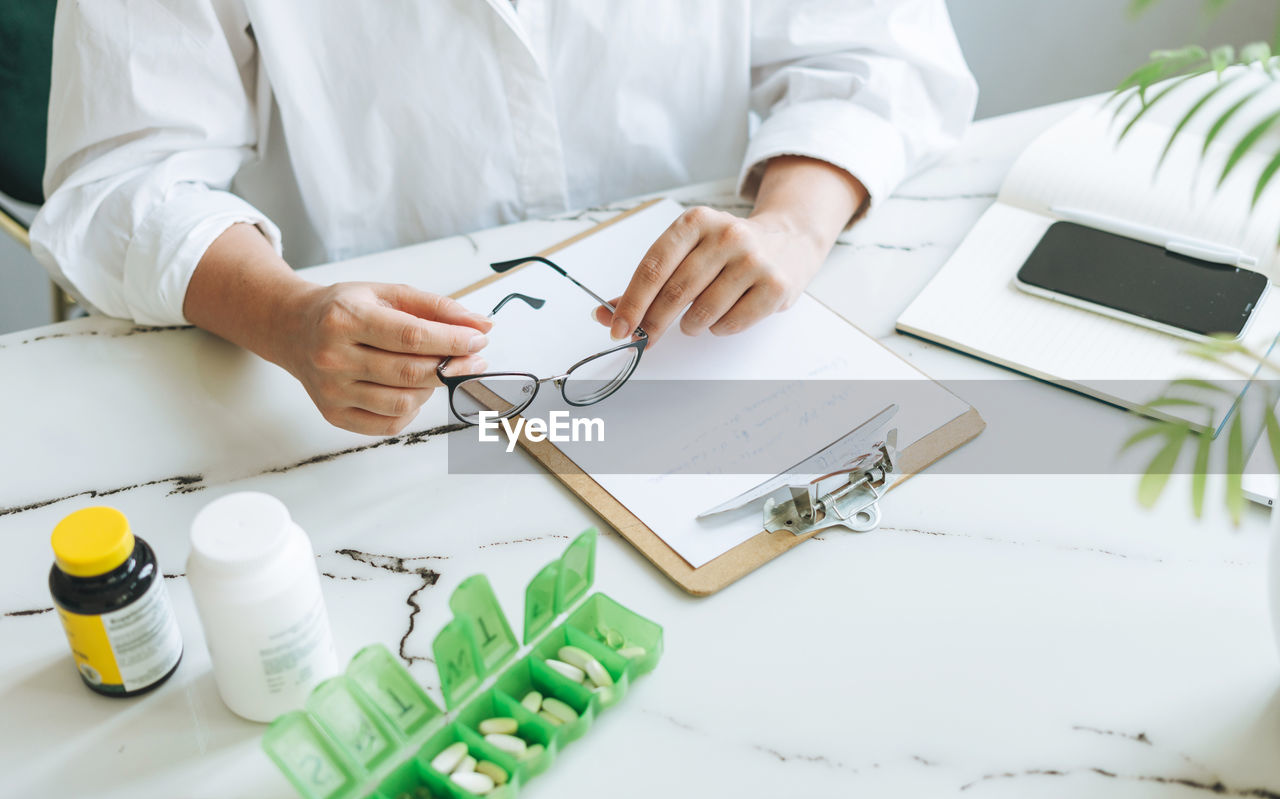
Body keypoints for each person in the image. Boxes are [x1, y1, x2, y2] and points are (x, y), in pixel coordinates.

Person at [31, 1, 976, 436]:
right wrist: (286, 315)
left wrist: (792, 224)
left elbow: (877, 48)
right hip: (365, 395)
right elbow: (127, 173)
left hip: (703, 358)